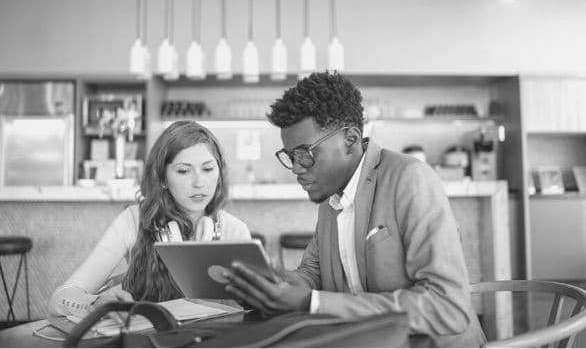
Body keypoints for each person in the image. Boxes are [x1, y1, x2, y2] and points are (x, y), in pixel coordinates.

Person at [224, 72, 485, 347]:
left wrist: (310, 301)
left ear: (350, 138)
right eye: (291, 157)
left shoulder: (409, 179)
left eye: (306, 154)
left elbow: (447, 307)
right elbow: (312, 274)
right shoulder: (330, 197)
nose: (297, 168)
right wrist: (282, 284)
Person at [49, 120, 251, 318]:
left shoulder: (235, 230)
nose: (199, 182)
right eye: (183, 171)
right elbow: (59, 300)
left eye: (208, 169)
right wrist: (94, 304)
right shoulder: (133, 220)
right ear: (162, 177)